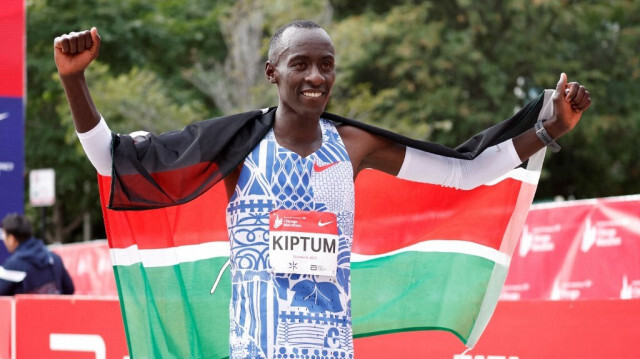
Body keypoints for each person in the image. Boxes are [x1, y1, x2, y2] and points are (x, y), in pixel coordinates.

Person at [54, 20, 590, 358]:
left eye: (326, 66)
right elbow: (112, 157)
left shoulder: (353, 145)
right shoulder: (236, 145)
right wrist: (75, 81)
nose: (316, 76)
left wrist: (548, 130)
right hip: (257, 348)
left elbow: (464, 171)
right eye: (301, 64)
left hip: (331, 348)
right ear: (272, 72)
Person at [0, 213, 75, 295]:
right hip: (55, 307)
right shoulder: (55, 259)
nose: (3, 240)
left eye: (3, 235)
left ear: (11, 239)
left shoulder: (12, 266)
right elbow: (69, 290)